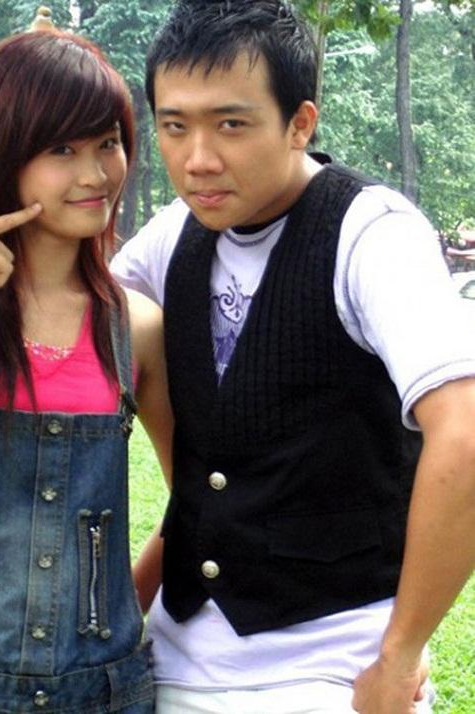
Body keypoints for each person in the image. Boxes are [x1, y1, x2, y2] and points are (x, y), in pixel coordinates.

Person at [110, 1, 475, 712]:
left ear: (300, 123)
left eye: (231, 124)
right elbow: (60, 312)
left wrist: (400, 655)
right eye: (174, 126)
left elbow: (462, 435)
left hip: (333, 669)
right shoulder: (173, 233)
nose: (198, 158)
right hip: (176, 662)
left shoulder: (371, 233)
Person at [0, 27, 173, 714]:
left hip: (103, 690)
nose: (95, 174)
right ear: (5, 151)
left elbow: (197, 499)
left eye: (108, 143)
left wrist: (122, 608)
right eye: (62, 149)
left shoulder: (136, 328)